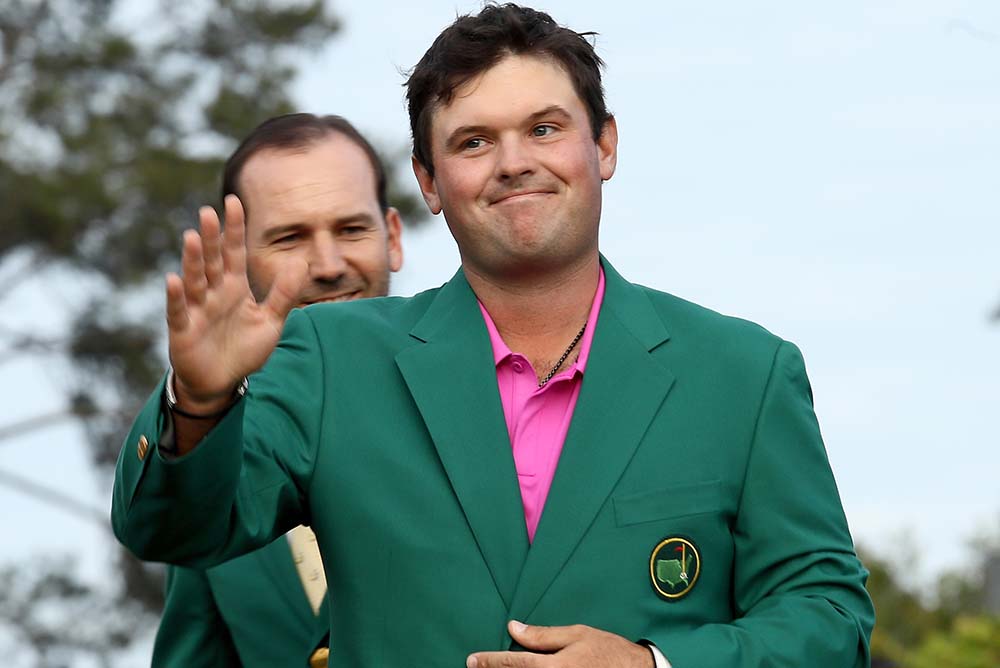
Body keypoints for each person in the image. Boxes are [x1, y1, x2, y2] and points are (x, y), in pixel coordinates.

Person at [112, 5, 875, 667]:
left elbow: (829, 620)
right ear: (430, 181)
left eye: (544, 128)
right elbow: (174, 529)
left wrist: (655, 663)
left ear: (603, 146)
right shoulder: (329, 359)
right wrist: (201, 402)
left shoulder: (743, 373)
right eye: (473, 142)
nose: (514, 163)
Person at [148, 113, 403, 667]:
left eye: (351, 230)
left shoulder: (501, 407)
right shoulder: (211, 475)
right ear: (234, 262)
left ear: (394, 238)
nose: (329, 265)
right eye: (290, 238)